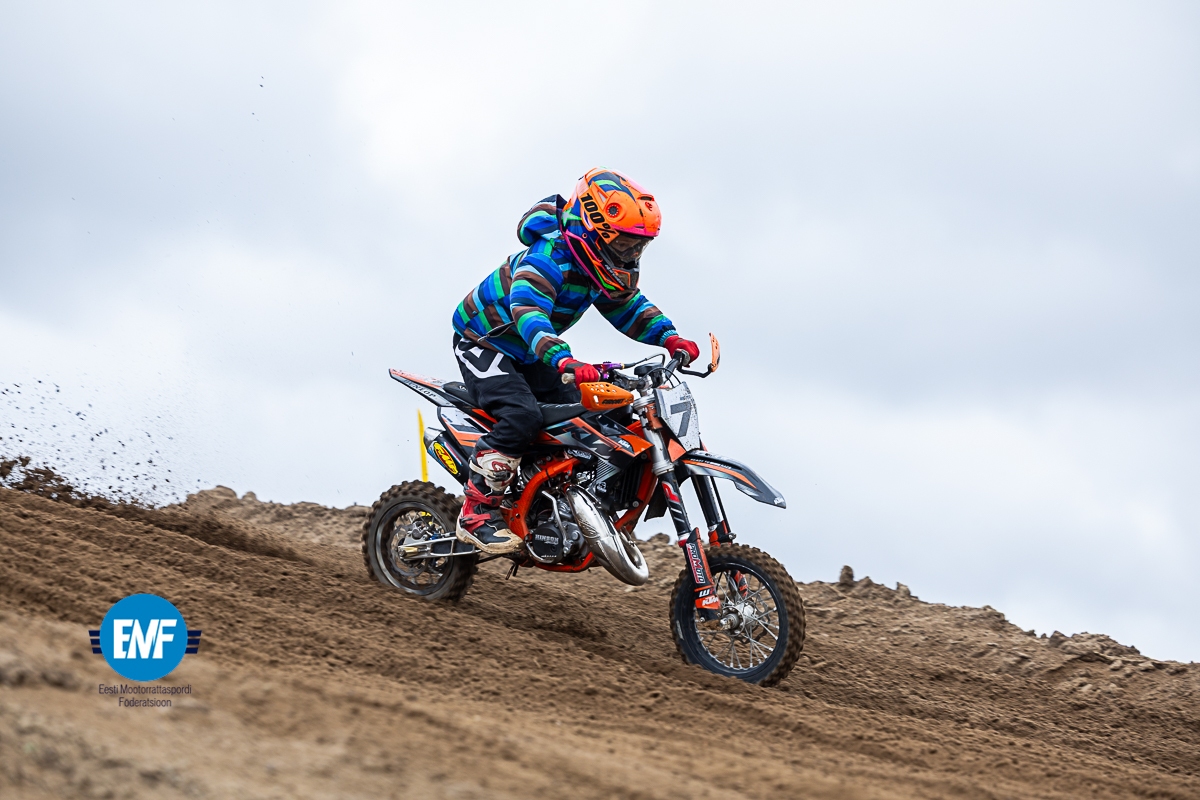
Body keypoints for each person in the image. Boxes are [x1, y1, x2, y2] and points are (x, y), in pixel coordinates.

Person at [450, 168, 700, 554]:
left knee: (590, 411)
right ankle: (476, 513)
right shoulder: (547, 258)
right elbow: (529, 312)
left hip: (532, 351)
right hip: (487, 343)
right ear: (592, 227)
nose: (631, 255)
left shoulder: (596, 268)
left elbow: (628, 307)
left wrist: (669, 337)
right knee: (522, 417)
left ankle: (557, 500)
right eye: (624, 244)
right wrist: (564, 360)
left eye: (638, 247)